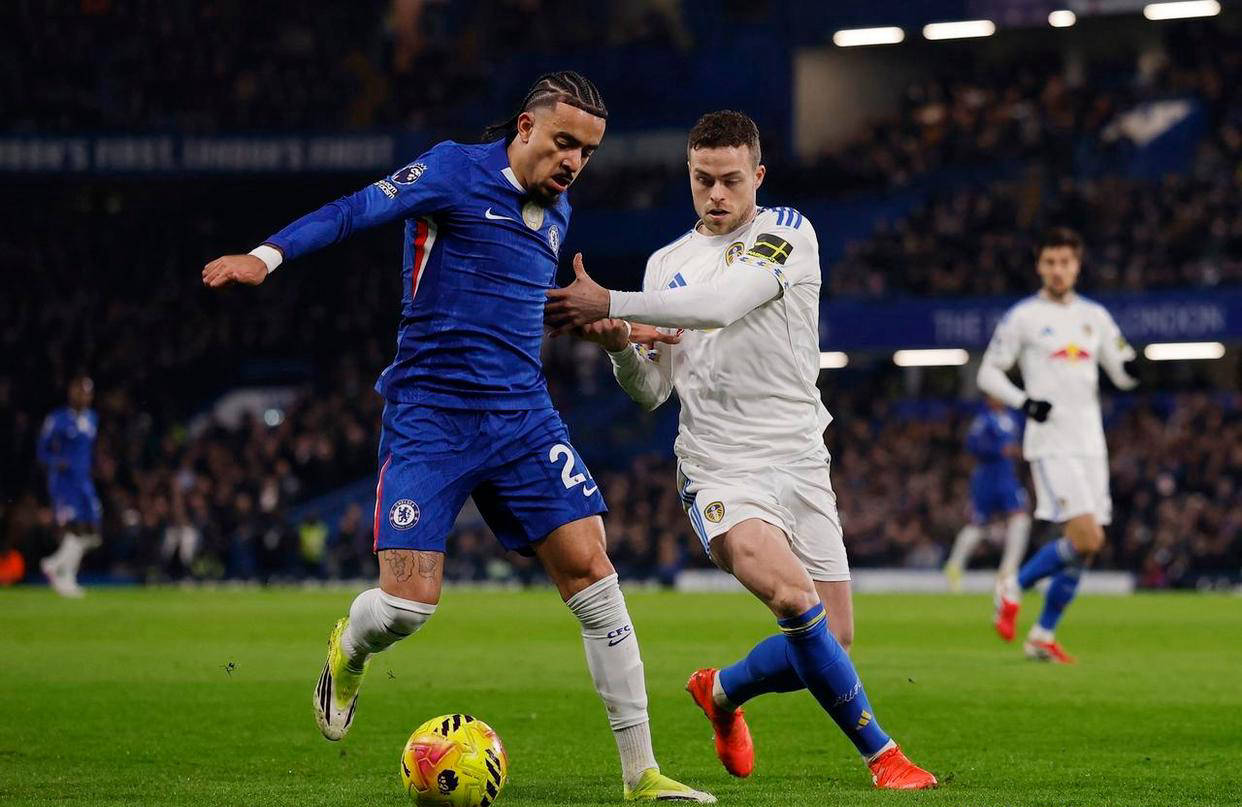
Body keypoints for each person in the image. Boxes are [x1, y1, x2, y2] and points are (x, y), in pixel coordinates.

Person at [202, 72, 711, 803]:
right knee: (407, 607)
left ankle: (642, 774)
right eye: (564, 142)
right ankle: (350, 647)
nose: (574, 162)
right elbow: (356, 209)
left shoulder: (557, 209)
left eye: (588, 152)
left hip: (521, 417)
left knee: (595, 576)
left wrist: (616, 325)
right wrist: (266, 256)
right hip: (431, 418)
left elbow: (515, 304)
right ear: (526, 127)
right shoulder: (451, 170)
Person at [545, 110, 937, 790]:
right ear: (689, 175)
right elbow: (651, 391)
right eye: (703, 180)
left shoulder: (787, 231)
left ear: (758, 175)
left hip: (801, 459)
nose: (717, 194)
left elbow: (724, 303)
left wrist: (610, 301)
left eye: (731, 179)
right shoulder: (666, 264)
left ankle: (721, 690)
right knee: (794, 597)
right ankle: (883, 756)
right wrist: (620, 349)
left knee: (834, 640)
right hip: (719, 468)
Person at [978, 227, 1138, 663]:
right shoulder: (1023, 317)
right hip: (1051, 442)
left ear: (1077, 266)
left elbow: (1122, 370)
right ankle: (1014, 586)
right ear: (1039, 266)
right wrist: (1024, 403)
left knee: (1087, 546)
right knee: (1087, 536)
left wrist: (1135, 370)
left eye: (1065, 262)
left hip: (1092, 444)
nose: (1058, 270)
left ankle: (1042, 634)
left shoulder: (1095, 316)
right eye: (1050, 262)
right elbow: (989, 372)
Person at [942, 396, 1031, 592]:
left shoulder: (1012, 417)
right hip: (987, 478)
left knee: (1020, 518)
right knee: (978, 524)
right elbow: (972, 446)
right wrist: (999, 450)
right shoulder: (983, 420)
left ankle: (1008, 572)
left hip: (1007, 478)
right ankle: (954, 566)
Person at [36, 376, 102, 598]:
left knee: (93, 533)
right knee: (74, 528)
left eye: (88, 393)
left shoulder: (92, 418)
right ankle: (67, 576)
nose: (84, 396)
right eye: (80, 391)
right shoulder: (57, 419)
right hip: (64, 483)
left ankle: (54, 564)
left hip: (84, 482)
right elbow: (41, 451)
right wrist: (57, 462)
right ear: (71, 392)